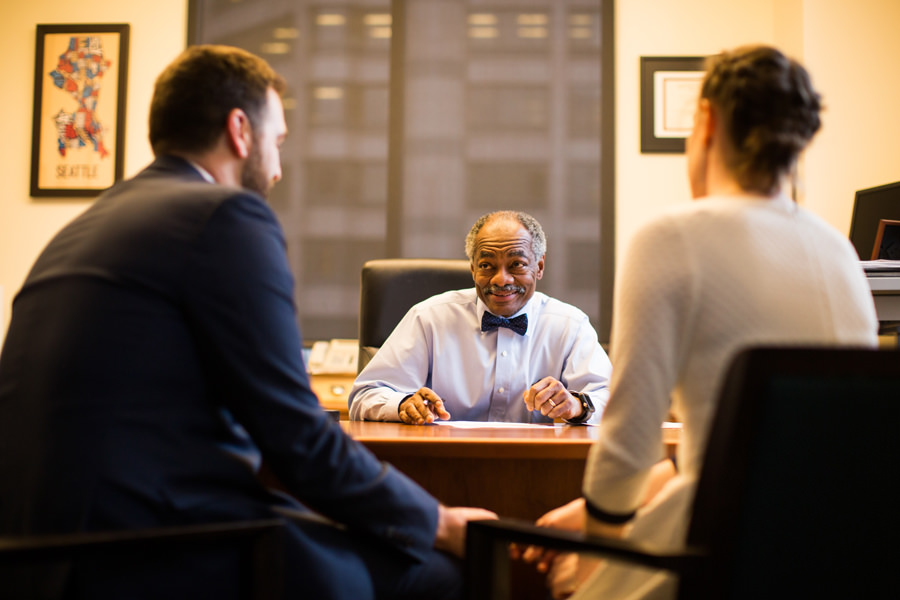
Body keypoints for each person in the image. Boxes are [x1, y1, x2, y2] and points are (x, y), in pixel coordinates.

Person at [0, 45, 495, 600]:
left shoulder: (87, 225)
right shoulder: (224, 216)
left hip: (38, 552)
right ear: (240, 131)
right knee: (447, 570)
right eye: (277, 142)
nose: (278, 170)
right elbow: (298, 439)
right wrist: (441, 522)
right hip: (144, 553)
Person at [523, 45, 880, 599]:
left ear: (707, 121)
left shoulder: (670, 238)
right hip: (845, 548)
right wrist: (590, 510)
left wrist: (600, 547)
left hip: (724, 550)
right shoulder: (839, 251)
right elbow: (746, 448)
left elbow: (629, 439)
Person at [348, 210, 612, 425]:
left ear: (539, 266)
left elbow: (611, 403)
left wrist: (577, 405)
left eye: (517, 265)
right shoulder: (429, 318)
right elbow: (365, 395)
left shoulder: (570, 326)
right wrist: (403, 404)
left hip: (535, 464)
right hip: (442, 461)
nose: (501, 279)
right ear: (473, 269)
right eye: (487, 266)